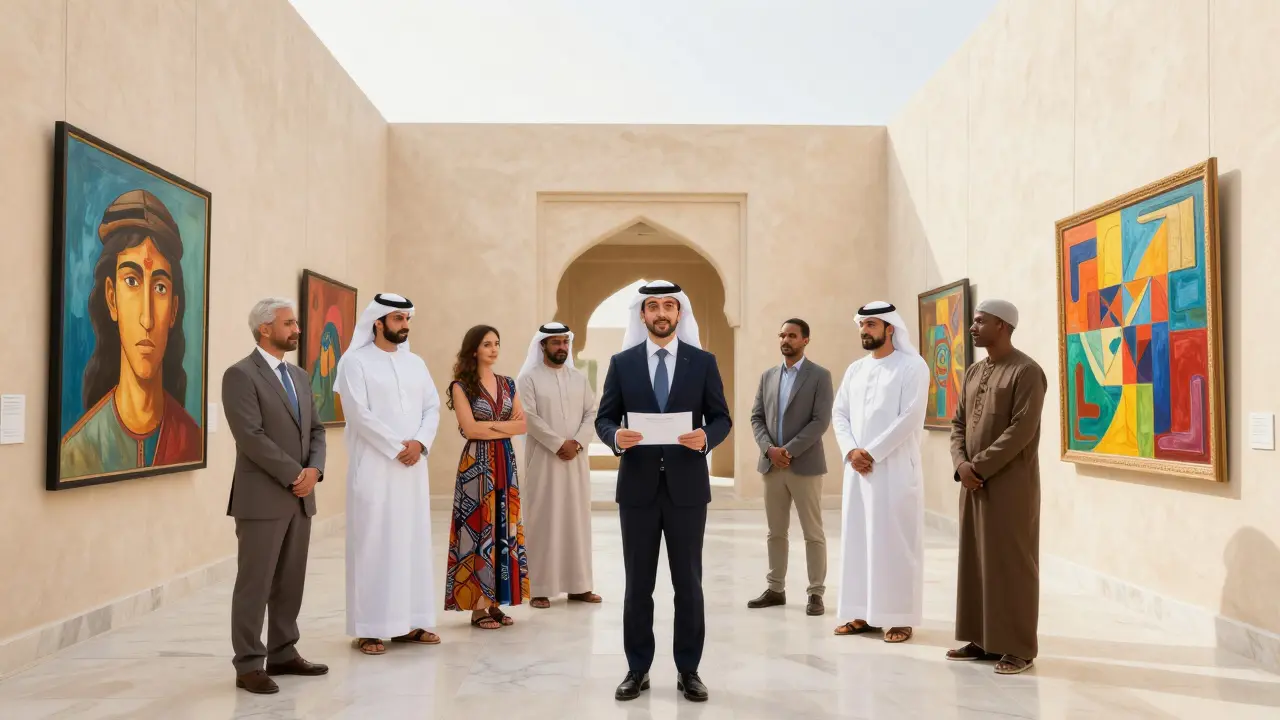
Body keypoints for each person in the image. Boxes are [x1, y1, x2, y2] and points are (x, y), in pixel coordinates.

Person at [595, 280, 732, 703]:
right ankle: (637, 668)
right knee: (638, 584)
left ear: (679, 314)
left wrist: (705, 438)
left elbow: (722, 418)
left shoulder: (703, 362)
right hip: (636, 490)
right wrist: (617, 437)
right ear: (642, 315)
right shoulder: (622, 363)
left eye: (668, 306)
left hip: (687, 491)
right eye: (652, 306)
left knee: (688, 584)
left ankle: (688, 670)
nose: (660, 313)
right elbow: (604, 420)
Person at [222, 298, 328, 694]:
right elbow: (250, 436)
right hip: (263, 498)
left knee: (289, 581)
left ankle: (283, 652)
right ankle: (248, 664)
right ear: (265, 328)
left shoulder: (299, 376)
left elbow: (316, 430)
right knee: (256, 583)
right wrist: (294, 474)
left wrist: (314, 471)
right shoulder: (240, 375)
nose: (296, 329)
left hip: (301, 497)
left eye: (296, 322)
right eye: (289, 323)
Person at [60, 189, 202, 479]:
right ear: (112, 299)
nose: (147, 317)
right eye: (132, 281)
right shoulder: (77, 453)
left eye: (160, 287)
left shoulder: (193, 440)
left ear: (174, 310)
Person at [334, 294, 442, 655]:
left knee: (410, 543)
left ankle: (411, 622)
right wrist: (399, 446)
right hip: (376, 468)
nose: (405, 325)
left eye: (407, 319)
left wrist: (420, 444)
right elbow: (358, 415)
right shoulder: (354, 362)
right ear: (378, 322)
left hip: (413, 470)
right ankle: (369, 628)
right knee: (374, 544)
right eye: (398, 319)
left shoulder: (417, 364)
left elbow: (432, 408)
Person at [946, 299, 1046, 675]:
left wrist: (979, 466)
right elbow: (958, 424)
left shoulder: (1027, 372)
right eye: (973, 321)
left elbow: (1021, 430)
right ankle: (982, 639)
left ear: (1002, 326)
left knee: (1011, 565)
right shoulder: (974, 371)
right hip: (971, 483)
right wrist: (961, 465)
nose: (972, 327)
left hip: (1010, 485)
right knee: (975, 561)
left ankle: (1019, 648)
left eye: (979, 321)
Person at [831, 302, 931, 644]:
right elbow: (839, 414)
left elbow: (911, 417)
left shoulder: (912, 366)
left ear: (890, 328)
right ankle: (861, 613)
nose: (865, 330)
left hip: (895, 471)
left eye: (871, 325)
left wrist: (871, 452)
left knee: (895, 543)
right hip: (857, 472)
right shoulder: (855, 370)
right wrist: (851, 452)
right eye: (862, 325)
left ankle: (899, 618)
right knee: (859, 541)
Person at [444, 325, 530, 629]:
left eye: (496, 343)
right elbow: (470, 430)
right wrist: (503, 426)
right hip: (476, 466)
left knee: (503, 529)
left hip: (505, 461)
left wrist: (490, 427)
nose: (493, 349)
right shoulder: (461, 385)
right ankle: (477, 607)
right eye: (486, 344)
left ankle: (495, 603)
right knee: (479, 529)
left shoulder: (508, 384)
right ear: (474, 350)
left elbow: (523, 427)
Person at [747, 318, 834, 616]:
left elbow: (820, 421)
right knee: (775, 532)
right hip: (772, 466)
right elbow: (756, 418)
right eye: (782, 335)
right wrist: (769, 450)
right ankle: (775, 588)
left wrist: (789, 451)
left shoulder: (819, 376)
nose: (786, 340)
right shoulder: (767, 376)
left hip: (805, 465)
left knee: (813, 532)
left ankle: (815, 593)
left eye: (792, 335)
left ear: (805, 340)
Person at [516, 322, 601, 609]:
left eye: (565, 342)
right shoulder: (529, 378)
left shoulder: (579, 378)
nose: (562, 347)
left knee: (576, 521)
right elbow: (528, 416)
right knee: (543, 520)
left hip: (575, 462)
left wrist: (576, 443)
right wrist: (557, 443)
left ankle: (579, 586)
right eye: (556, 343)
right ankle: (540, 588)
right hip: (544, 462)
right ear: (543, 346)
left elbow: (592, 413)